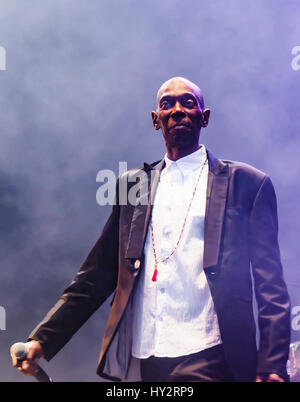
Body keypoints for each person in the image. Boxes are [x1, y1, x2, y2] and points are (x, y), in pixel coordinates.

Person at [11, 77, 291, 382]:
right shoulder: (134, 186)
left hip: (210, 350)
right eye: (167, 104)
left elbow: (270, 285)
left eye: (188, 102)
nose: (178, 110)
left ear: (204, 116)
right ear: (156, 120)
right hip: (146, 354)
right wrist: (42, 340)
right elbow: (96, 275)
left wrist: (272, 365)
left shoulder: (246, 183)